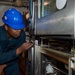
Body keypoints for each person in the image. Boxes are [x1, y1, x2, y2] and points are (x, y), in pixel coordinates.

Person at [0, 8, 33, 75]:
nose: (19, 31)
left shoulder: (22, 35)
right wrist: (19, 50)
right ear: (6, 27)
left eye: (20, 28)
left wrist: (5, 65)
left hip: (11, 62)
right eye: (15, 28)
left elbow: (18, 57)